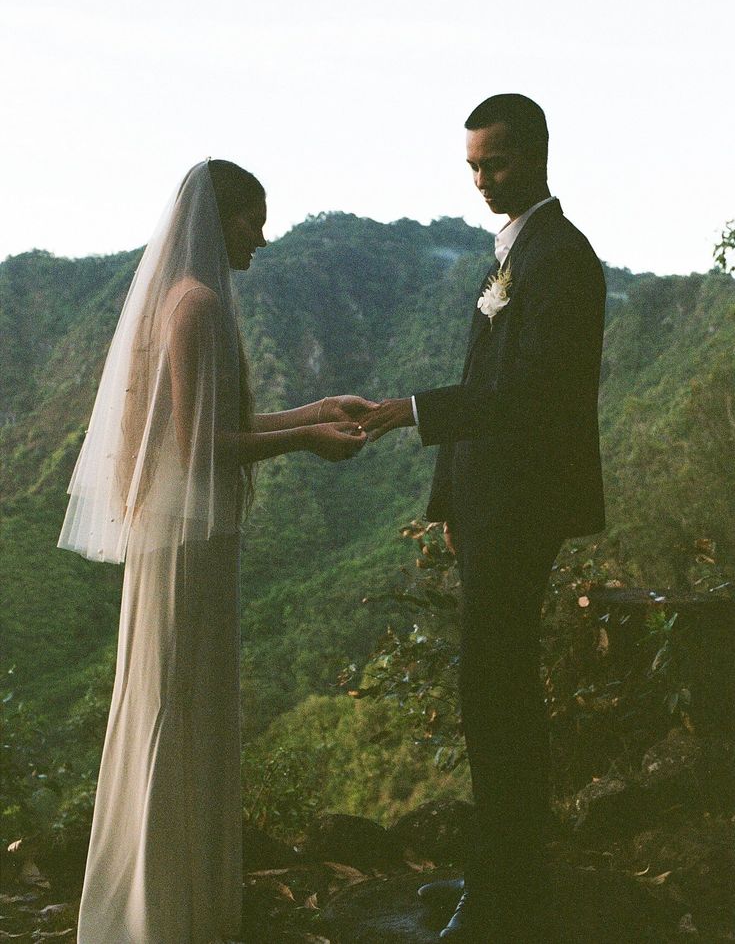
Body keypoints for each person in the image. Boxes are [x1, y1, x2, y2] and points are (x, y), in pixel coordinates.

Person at [58, 159, 368, 944]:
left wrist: (318, 408)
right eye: (250, 220)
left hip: (187, 532)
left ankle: (169, 902)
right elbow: (197, 450)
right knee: (175, 708)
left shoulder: (184, 299)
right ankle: (162, 913)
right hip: (186, 539)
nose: (260, 238)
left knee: (176, 705)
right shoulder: (194, 305)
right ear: (218, 218)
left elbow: (200, 429)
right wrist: (310, 442)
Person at [360, 94, 606, 942]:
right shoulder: (514, 254)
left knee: (497, 692)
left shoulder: (561, 258)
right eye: (470, 164)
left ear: (536, 152)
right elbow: (484, 373)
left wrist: (409, 409)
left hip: (524, 506)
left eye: (492, 163)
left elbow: (531, 395)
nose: (478, 179)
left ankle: (509, 886)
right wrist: (446, 506)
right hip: (487, 506)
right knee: (487, 687)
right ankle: (496, 867)